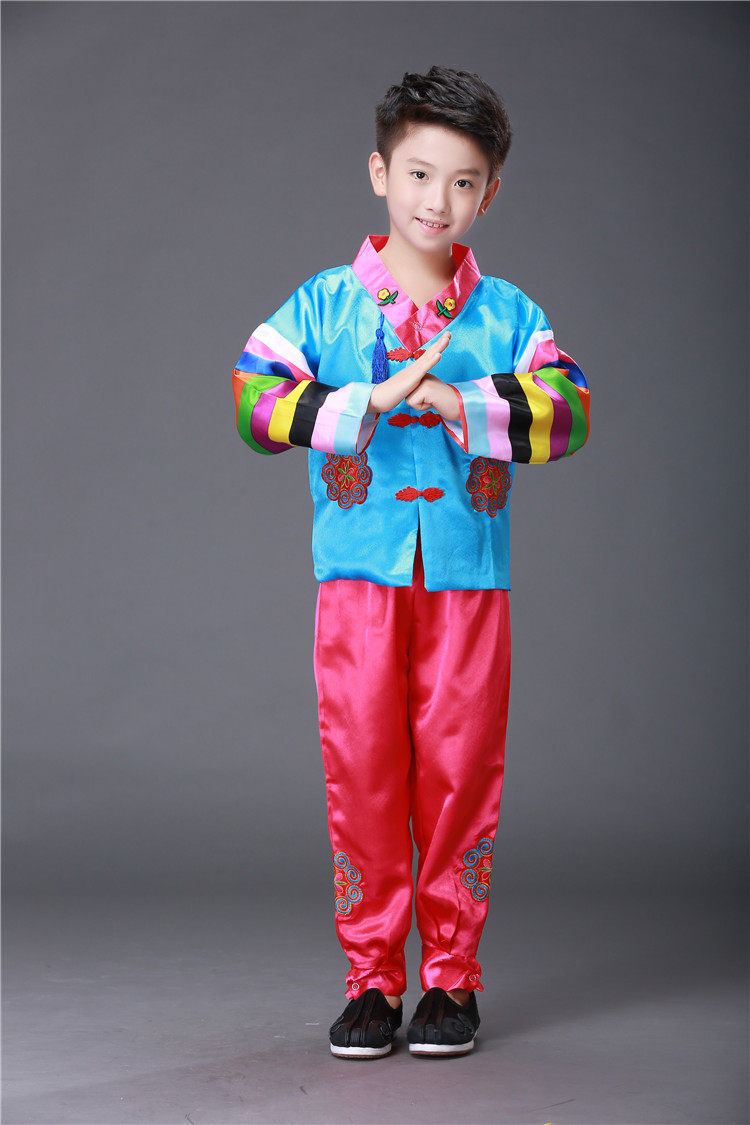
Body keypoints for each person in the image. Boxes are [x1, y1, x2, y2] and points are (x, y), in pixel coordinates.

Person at [231, 65, 590, 1059]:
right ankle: (371, 977)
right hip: (357, 578)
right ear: (380, 173)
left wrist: (460, 403)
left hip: (469, 580)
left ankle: (452, 977)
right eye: (421, 174)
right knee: (363, 767)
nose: (439, 201)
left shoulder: (508, 314)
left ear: (490, 194)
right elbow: (254, 399)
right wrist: (365, 404)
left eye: (464, 182)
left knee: (461, 768)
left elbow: (571, 410)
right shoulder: (324, 305)